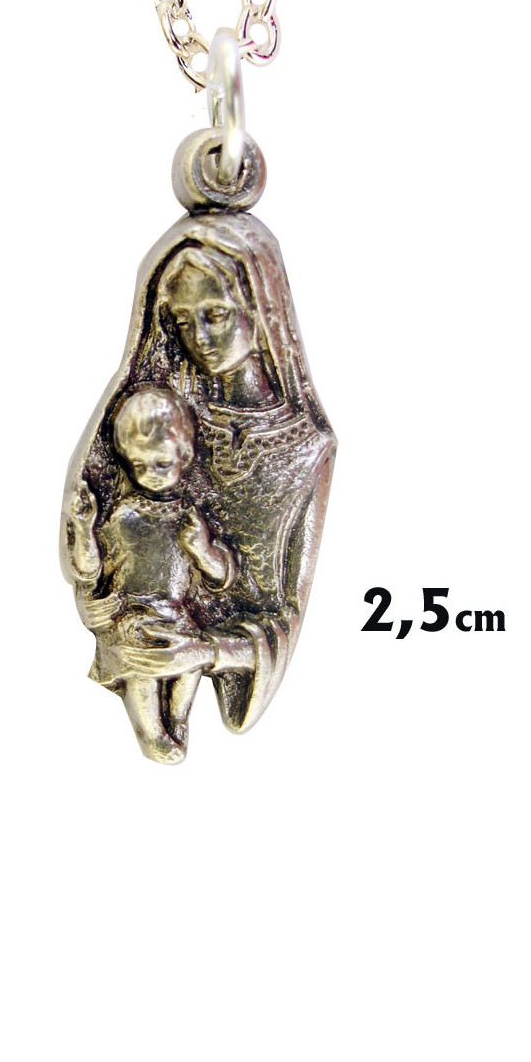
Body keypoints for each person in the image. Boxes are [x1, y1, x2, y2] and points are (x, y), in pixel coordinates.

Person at [61, 211, 336, 740]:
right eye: (184, 322)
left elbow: (281, 615)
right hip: (138, 628)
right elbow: (94, 545)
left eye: (216, 314)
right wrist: (98, 603)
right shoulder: (154, 414)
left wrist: (204, 651)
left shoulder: (302, 450)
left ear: (261, 310)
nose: (200, 338)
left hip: (188, 639)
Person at [65, 388, 234, 764]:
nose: (150, 475)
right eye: (139, 465)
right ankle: (152, 734)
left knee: (188, 670)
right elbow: (92, 570)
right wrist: (85, 529)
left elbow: (221, 576)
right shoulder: (123, 515)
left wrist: (202, 550)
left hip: (179, 619)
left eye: (161, 463)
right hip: (135, 620)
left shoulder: (190, 517)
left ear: (184, 456)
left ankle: (176, 721)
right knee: (141, 671)